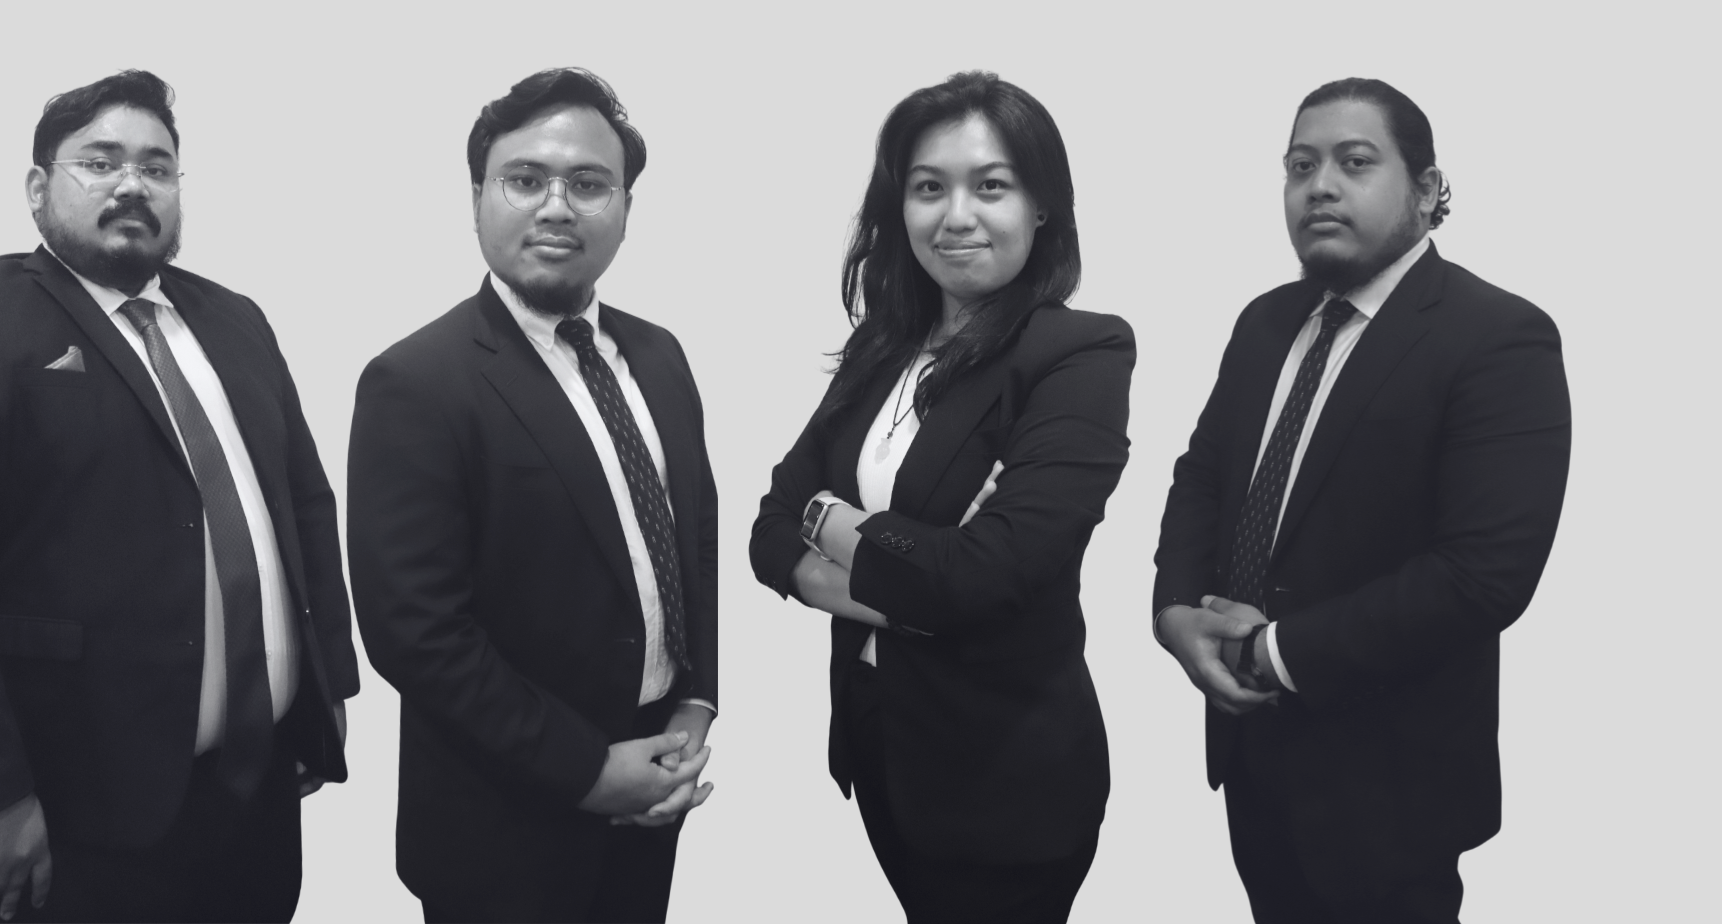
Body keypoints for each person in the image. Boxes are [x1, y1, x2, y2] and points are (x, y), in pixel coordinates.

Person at [0, 70, 359, 923]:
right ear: (38, 188)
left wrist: (326, 690)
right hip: (81, 809)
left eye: (156, 167)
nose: (132, 184)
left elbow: (304, 505)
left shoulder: (237, 320)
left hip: (262, 788)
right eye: (100, 161)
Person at [1152, 77, 1571, 923]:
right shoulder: (1266, 322)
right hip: (1251, 753)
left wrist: (1270, 652)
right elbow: (1203, 475)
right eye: (1300, 166)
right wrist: (1175, 612)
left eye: (1354, 162)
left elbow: (1483, 575)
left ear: (1426, 188)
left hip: (1389, 784)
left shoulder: (1499, 336)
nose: (1320, 187)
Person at [748, 71, 1133, 923]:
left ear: (1041, 206)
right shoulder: (882, 348)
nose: (956, 216)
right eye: (929, 188)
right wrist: (894, 571)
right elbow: (771, 527)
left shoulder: (1077, 353)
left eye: (990, 186)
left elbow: (985, 576)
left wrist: (832, 524)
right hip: (881, 741)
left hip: (1005, 779)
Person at [346, 68, 718, 923]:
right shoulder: (416, 382)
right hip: (501, 823)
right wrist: (589, 772)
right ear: (477, 197)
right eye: (525, 180)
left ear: (625, 207)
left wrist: (697, 700)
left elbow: (692, 535)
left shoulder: (660, 356)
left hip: (656, 784)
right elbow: (416, 633)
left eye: (588, 184)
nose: (557, 207)